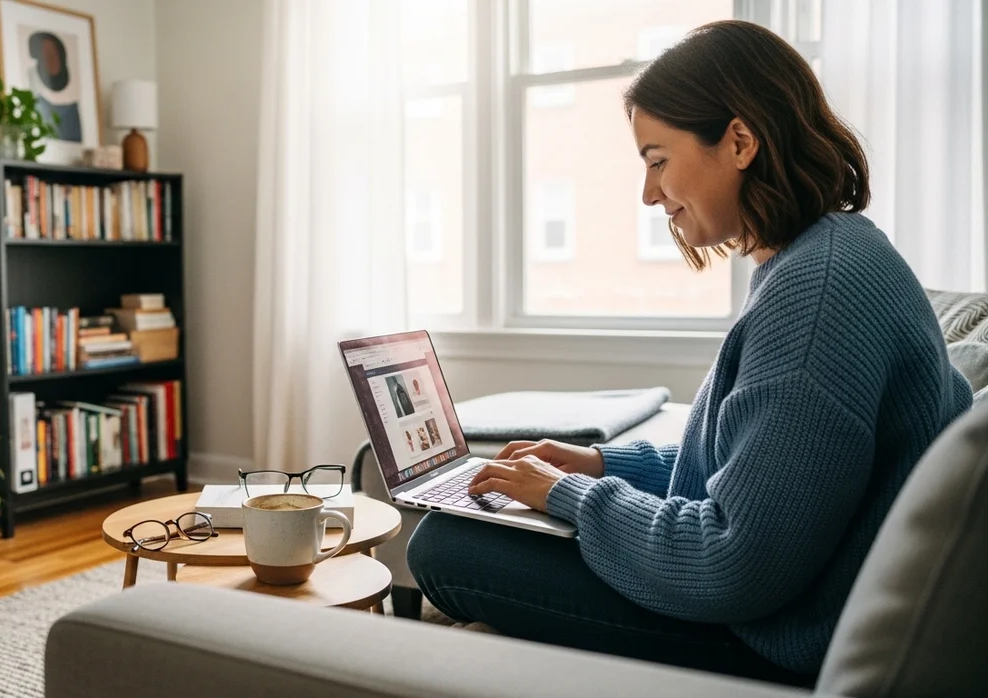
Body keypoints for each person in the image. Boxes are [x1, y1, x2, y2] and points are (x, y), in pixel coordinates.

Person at [406, 20, 971, 687]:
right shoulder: (827, 257)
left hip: (776, 638)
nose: (649, 194)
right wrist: (596, 463)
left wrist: (573, 497)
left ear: (738, 141)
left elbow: (734, 561)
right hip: (782, 602)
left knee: (448, 546)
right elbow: (758, 469)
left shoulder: (816, 294)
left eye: (658, 160)